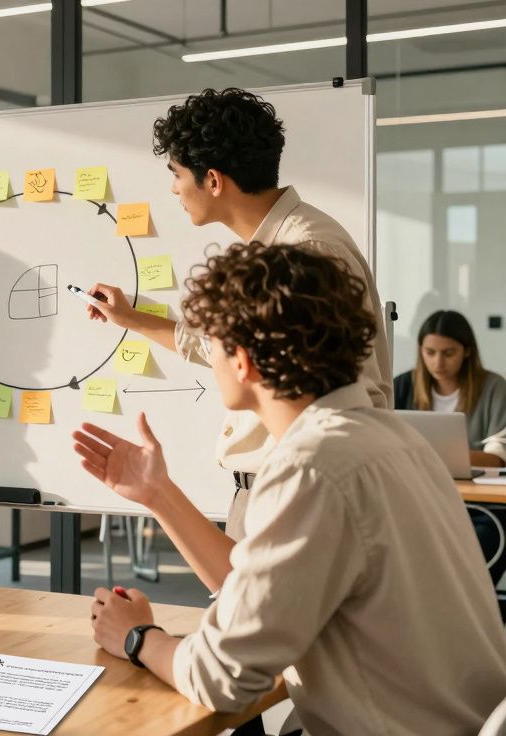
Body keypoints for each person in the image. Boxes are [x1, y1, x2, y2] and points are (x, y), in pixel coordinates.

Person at [73, 243, 506, 735]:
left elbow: (220, 677)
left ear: (243, 361)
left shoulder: (312, 467)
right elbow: (262, 591)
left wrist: (136, 637)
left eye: (211, 342)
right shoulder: (397, 438)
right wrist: (158, 493)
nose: (207, 355)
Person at [84, 86, 393, 550]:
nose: (173, 188)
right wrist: (132, 318)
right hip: (268, 495)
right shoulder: (272, 250)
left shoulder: (306, 253)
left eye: (176, 174)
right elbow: (223, 348)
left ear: (212, 179)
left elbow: (356, 393)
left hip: (297, 499)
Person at [395, 309, 506, 467]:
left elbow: (498, 458)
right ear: (421, 351)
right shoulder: (402, 385)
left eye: (448, 353)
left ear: (467, 351)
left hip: (475, 488)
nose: (438, 363)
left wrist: (429, 459)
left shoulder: (495, 387)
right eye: (430, 352)